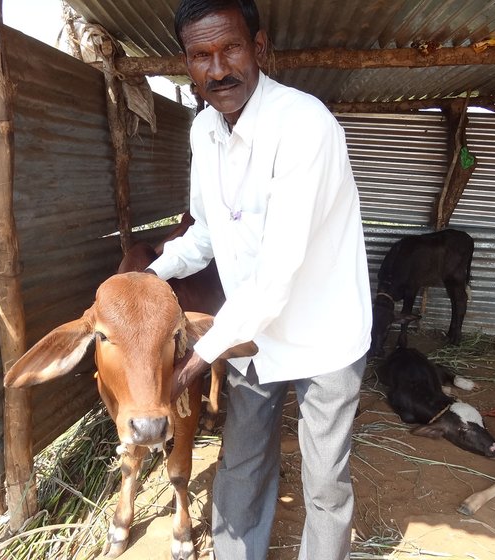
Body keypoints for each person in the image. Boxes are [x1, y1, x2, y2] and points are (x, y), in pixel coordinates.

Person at [147, 1, 372, 558]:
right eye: (201, 55)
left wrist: (196, 364)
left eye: (231, 49)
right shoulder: (203, 131)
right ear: (187, 63)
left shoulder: (305, 125)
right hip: (252, 335)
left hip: (324, 333)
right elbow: (205, 232)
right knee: (242, 462)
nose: (218, 68)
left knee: (323, 484)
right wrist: (148, 278)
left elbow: (276, 277)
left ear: (261, 49)